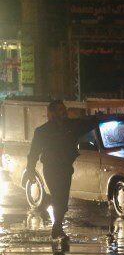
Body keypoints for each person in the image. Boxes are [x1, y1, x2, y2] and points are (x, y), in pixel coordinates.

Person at [25, 100, 97, 241]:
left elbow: (87, 124)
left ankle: (57, 228)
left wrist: (99, 118)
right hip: (51, 169)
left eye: (63, 110)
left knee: (62, 200)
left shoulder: (71, 126)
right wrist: (30, 170)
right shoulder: (42, 131)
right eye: (59, 110)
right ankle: (57, 229)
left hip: (65, 168)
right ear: (51, 113)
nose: (62, 113)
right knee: (58, 198)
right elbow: (33, 153)